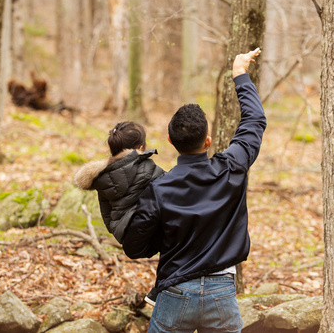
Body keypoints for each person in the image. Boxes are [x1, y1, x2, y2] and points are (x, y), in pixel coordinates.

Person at [122, 48, 266, 333]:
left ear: (170, 141)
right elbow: (254, 121)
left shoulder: (158, 189)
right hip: (222, 293)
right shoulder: (232, 167)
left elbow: (134, 247)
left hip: (175, 291)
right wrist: (240, 74)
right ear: (208, 141)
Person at [74, 121, 165, 250]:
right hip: (150, 236)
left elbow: (107, 216)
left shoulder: (103, 176)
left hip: (124, 236)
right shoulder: (148, 168)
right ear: (140, 148)